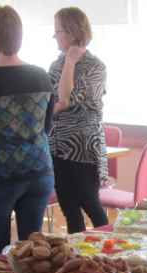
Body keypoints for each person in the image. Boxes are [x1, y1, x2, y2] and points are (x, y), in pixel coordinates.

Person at [0, 5, 54, 257]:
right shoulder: (41, 76)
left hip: (0, 173)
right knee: (33, 251)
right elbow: (47, 126)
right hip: (39, 170)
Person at [48, 7, 108, 234]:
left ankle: (112, 248)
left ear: (72, 32)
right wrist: (66, 63)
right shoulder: (55, 65)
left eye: (58, 31)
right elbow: (50, 103)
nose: (54, 36)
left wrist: (70, 63)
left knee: (90, 203)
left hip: (83, 148)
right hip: (58, 146)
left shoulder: (96, 67)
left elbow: (66, 99)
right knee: (69, 209)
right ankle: (77, 253)